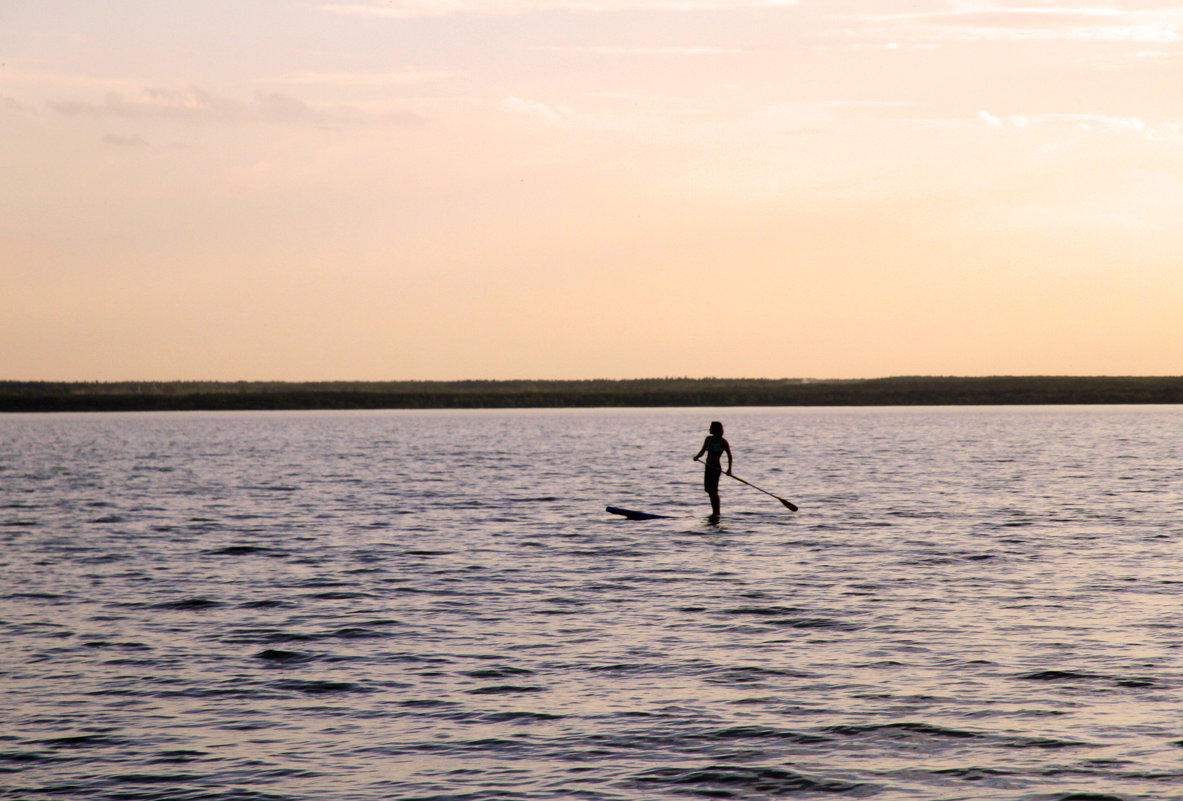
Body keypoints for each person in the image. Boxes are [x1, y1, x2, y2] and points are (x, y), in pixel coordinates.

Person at [693, 421, 732, 520]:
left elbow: (729, 456)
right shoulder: (708, 439)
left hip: (716, 467)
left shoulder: (723, 442)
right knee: (709, 490)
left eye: (711, 427)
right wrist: (697, 456)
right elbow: (702, 451)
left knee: (714, 491)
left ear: (716, 429)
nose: (709, 429)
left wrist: (729, 470)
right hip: (708, 467)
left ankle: (717, 512)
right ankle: (714, 512)